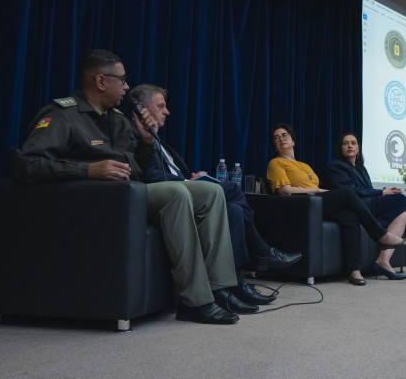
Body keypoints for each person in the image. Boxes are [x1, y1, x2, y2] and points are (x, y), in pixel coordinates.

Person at [15, 49, 253, 325]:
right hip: (93, 201)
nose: (127, 87)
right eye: (122, 80)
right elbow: (26, 165)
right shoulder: (63, 115)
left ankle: (219, 288)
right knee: (175, 193)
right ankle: (195, 302)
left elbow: (137, 172)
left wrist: (146, 144)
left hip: (129, 195)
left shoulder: (116, 120)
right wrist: (87, 170)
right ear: (101, 81)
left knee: (211, 192)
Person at [128, 84, 302, 305]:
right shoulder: (133, 136)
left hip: (184, 191)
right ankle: (262, 251)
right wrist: (186, 182)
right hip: (167, 198)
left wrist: (191, 177)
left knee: (235, 210)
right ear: (142, 108)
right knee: (232, 188)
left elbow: (169, 172)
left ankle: (236, 284)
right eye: (161, 106)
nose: (167, 112)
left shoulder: (162, 143)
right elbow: (149, 177)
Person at [266, 124, 406, 285]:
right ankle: (381, 235)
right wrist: (318, 191)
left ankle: (354, 270)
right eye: (276, 137)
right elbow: (285, 191)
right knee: (347, 193)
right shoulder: (276, 163)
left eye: (284, 135)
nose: (281, 139)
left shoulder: (304, 166)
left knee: (350, 216)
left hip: (317, 203)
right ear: (274, 144)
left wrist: (319, 191)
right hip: (302, 205)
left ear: (293, 141)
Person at [326, 133, 406, 279]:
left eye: (353, 143)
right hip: (356, 207)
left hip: (368, 207)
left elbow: (367, 190)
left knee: (403, 214)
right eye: (345, 143)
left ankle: (383, 261)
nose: (350, 146)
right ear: (340, 148)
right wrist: (381, 192)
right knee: (400, 199)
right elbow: (351, 191)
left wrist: (386, 192)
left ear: (358, 148)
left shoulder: (361, 169)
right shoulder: (336, 166)